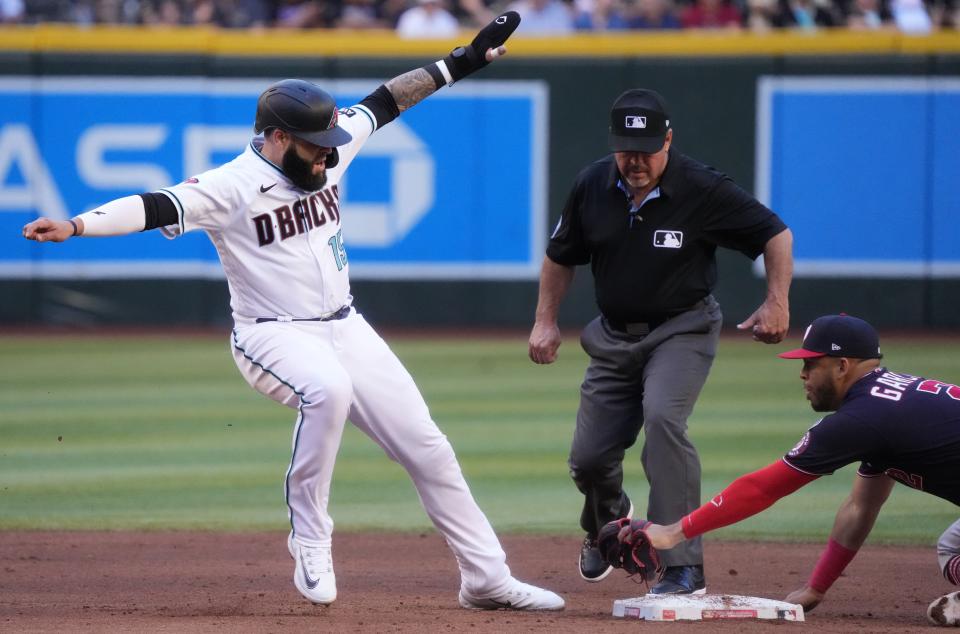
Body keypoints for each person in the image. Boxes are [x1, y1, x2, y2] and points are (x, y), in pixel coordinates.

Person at [21, 12, 565, 613]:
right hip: (270, 336)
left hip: (345, 324)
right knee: (327, 390)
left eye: (329, 144)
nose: (326, 158)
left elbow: (386, 102)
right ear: (277, 137)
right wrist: (75, 225)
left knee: (427, 446)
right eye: (313, 147)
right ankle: (310, 537)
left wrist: (463, 60)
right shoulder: (230, 186)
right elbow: (152, 206)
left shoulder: (327, 147)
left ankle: (485, 578)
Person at [527, 88, 792, 594]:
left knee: (664, 420)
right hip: (612, 336)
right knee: (588, 459)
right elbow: (560, 255)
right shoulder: (592, 185)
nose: (635, 160)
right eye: (626, 149)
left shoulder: (701, 187)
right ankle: (609, 522)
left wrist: (776, 300)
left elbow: (774, 234)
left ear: (668, 140)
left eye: (646, 148)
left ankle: (680, 565)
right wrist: (545, 321)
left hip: (682, 328)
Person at [632, 314, 960, 626]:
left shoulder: (863, 418)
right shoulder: (885, 406)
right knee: (952, 546)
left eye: (810, 364)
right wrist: (816, 587)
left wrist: (675, 531)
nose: (803, 374)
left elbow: (762, 488)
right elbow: (860, 507)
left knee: (951, 547)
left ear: (842, 366)